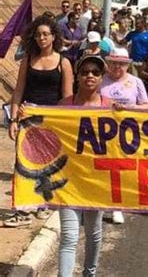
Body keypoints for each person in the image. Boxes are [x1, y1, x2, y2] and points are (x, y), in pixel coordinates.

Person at [7, 15, 73, 227]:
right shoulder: (28, 59)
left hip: (51, 120)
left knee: (47, 163)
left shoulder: (64, 63)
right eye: (38, 35)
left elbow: (67, 97)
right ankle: (22, 210)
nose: (41, 38)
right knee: (23, 163)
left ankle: (43, 203)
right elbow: (18, 91)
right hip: (27, 118)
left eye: (45, 34)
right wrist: (14, 119)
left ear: (54, 36)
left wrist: (62, 123)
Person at [57, 55, 110, 277]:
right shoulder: (63, 105)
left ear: (101, 78)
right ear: (77, 76)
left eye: (95, 73)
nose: (90, 75)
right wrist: (29, 117)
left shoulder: (110, 108)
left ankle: (90, 273)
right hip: (69, 180)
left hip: (97, 180)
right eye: (85, 71)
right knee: (69, 236)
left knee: (93, 232)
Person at [100, 48, 148, 224]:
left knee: (121, 168)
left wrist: (129, 109)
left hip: (127, 132)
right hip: (102, 131)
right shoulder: (100, 80)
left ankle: (117, 206)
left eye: (121, 64)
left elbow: (146, 106)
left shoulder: (136, 82)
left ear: (127, 65)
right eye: (113, 63)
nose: (117, 67)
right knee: (102, 167)